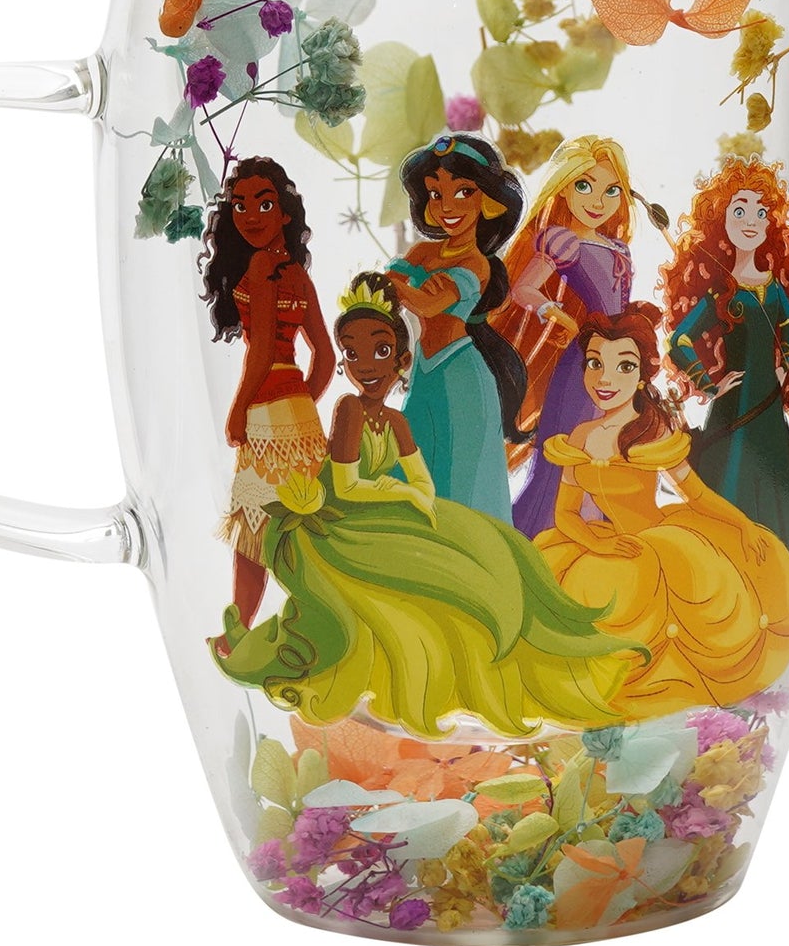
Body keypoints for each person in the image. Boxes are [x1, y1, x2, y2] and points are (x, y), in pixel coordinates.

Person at [211, 274, 641, 739]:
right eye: (351, 354)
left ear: (401, 359)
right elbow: (348, 486)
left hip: (374, 510)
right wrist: (403, 496)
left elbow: (418, 478)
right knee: (428, 566)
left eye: (379, 351)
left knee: (492, 543)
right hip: (335, 520)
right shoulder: (349, 411)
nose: (365, 366)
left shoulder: (397, 420)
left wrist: (416, 497)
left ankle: (522, 650)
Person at [533, 304, 789, 718]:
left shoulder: (653, 431)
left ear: (642, 374)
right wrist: (595, 544)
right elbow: (566, 513)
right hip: (606, 545)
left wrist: (741, 524)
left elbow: (697, 496)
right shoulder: (580, 437)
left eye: (623, 366)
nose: (605, 379)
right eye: (595, 363)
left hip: (663, 545)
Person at [658, 158, 789, 587]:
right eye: (740, 211)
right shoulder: (721, 291)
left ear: (771, 224)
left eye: (760, 212)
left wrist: (784, 365)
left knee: (776, 483)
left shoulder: (773, 286)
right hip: (734, 408)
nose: (751, 220)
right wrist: (710, 384)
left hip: (768, 407)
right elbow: (678, 341)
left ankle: (784, 584)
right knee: (728, 487)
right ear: (722, 222)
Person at [200, 157, 331, 636]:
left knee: (254, 533)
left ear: (285, 213)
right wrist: (300, 403)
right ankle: (311, 624)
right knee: (302, 526)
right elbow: (324, 357)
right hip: (298, 414)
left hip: (264, 410)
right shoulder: (297, 273)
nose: (251, 215)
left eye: (264, 204)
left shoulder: (260, 266)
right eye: (240, 206)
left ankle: (239, 629)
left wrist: (240, 410)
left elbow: (259, 353)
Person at [493, 135, 640, 538]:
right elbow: (523, 289)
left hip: (618, 364)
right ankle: (544, 533)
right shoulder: (564, 241)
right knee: (569, 447)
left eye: (611, 190)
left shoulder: (619, 248)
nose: (598, 201)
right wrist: (560, 317)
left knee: (610, 449)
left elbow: (621, 307)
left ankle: (598, 531)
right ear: (564, 187)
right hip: (582, 361)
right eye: (584, 186)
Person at [385, 133, 530, 523]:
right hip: (425, 371)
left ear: (488, 201)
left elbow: (426, 304)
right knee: (412, 461)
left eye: (464, 192)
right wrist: (398, 288)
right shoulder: (423, 251)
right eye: (436, 194)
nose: (448, 206)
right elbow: (388, 290)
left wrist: (401, 287)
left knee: (459, 481)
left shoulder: (476, 264)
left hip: (461, 376)